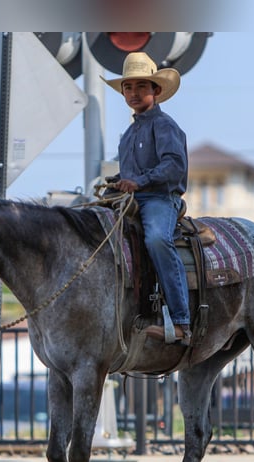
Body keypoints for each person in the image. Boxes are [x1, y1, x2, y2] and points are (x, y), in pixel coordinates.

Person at [103, 52, 191, 345]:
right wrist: (117, 182)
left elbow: (173, 166)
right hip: (131, 200)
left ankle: (181, 321)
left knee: (156, 239)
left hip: (160, 199)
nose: (133, 93)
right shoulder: (128, 135)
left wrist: (138, 181)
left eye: (142, 86)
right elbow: (130, 174)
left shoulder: (165, 126)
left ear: (156, 90)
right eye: (128, 87)